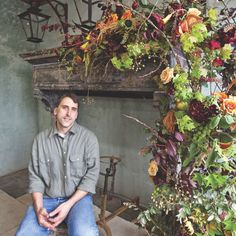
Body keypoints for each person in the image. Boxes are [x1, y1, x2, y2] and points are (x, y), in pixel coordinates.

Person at [16, 93, 100, 236]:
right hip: (47, 199)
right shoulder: (40, 140)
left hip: (77, 200)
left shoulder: (89, 139)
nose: (69, 113)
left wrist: (67, 205)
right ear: (55, 111)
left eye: (73, 109)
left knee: (86, 233)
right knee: (24, 233)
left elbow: (91, 177)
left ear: (77, 113)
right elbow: (35, 178)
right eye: (65, 108)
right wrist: (39, 208)